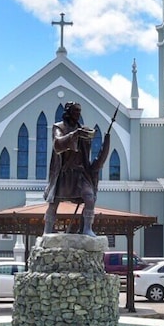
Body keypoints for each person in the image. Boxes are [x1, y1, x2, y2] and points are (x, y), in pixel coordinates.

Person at [42, 101, 111, 237]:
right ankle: (47, 229)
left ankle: (87, 228)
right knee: (54, 202)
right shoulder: (59, 127)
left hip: (80, 174)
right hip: (64, 173)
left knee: (89, 198)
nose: (78, 114)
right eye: (75, 111)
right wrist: (75, 134)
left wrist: (99, 140)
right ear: (68, 112)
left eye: (79, 111)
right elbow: (58, 144)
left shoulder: (82, 129)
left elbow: (88, 155)